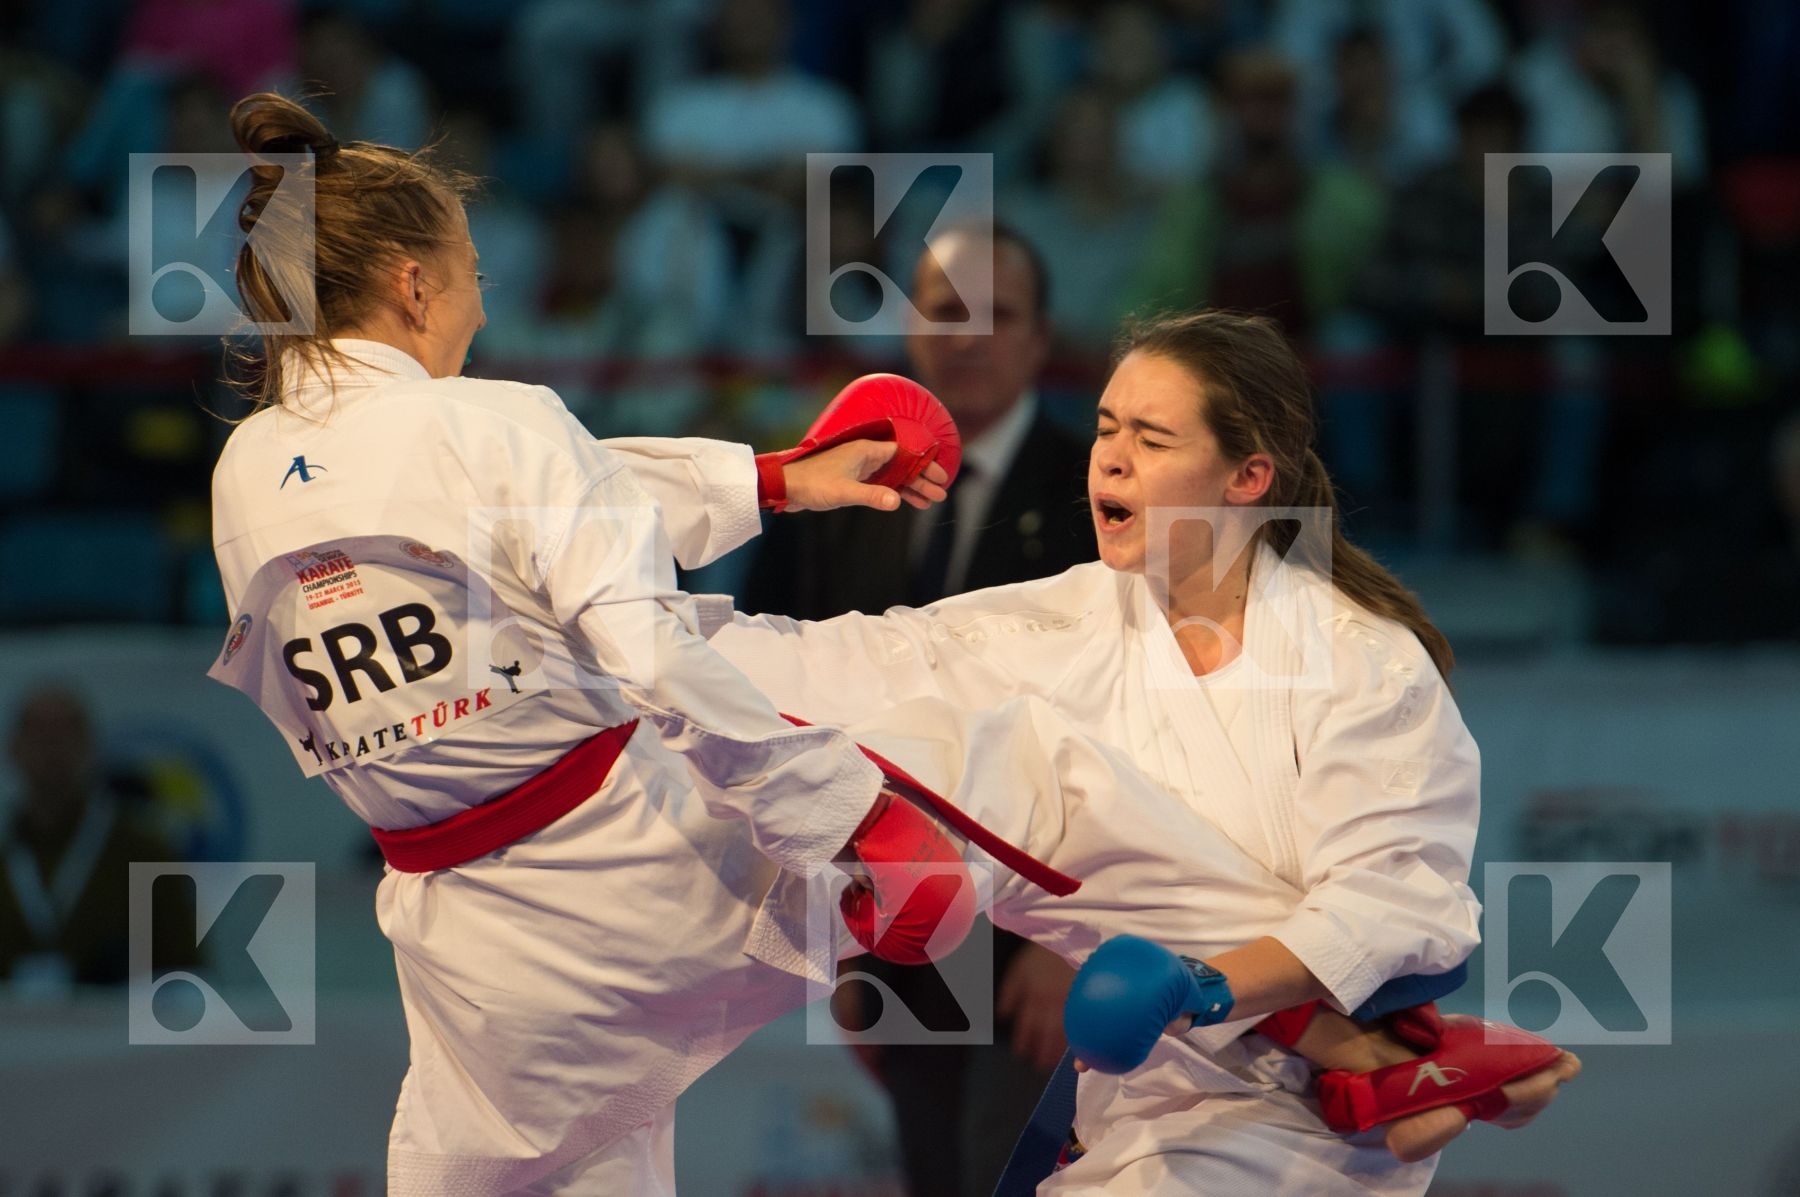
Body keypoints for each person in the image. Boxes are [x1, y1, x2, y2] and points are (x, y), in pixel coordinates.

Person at [206, 93, 957, 1196]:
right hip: (626, 879)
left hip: (463, 941)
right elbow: (633, 633)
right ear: (414, 284)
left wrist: (772, 480)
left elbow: (524, 504)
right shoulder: (492, 425)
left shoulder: (245, 470)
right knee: (961, 755)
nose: (482, 293)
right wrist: (852, 814)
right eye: (469, 267)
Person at [710, 309, 1581, 1194]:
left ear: (1248, 476)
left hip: (1294, 1133)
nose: (1111, 459)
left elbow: (1393, 903)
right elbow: (859, 659)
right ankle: (1386, 1057)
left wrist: (1197, 986)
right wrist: (720, 536)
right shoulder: (1064, 623)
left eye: (1153, 439)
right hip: (1128, 1109)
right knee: (958, 753)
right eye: (1104, 429)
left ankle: (1377, 1057)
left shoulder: (1362, 661)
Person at [744, 220, 1096, 1197]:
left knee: (1013, 1176)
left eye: (999, 314)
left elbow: (1130, 731)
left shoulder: (1098, 497)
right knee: (938, 1174)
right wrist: (841, 935)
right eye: (945, 311)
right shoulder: (838, 486)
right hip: (891, 919)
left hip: (1047, 927)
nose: (969, 336)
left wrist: (1082, 941)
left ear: (1039, 338)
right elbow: (770, 696)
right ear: (908, 330)